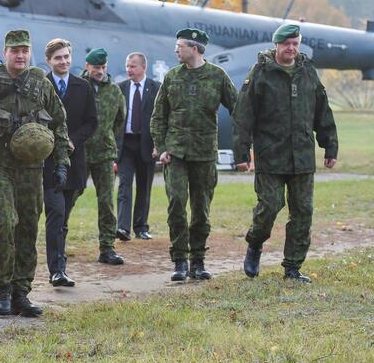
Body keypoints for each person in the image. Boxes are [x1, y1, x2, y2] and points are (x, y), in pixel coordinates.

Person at [0, 29, 70, 317]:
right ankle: (3, 289)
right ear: (5, 52)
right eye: (14, 50)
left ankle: (22, 292)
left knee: (28, 230)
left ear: (30, 53)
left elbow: (59, 122)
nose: (20, 55)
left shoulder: (40, 82)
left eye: (25, 50)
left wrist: (61, 162)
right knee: (3, 225)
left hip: (32, 170)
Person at [234, 24, 339, 283]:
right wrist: (241, 153)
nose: (291, 49)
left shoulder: (308, 72)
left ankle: (292, 267)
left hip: (302, 156)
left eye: (295, 43)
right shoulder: (261, 73)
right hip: (271, 155)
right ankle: (255, 244)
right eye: (286, 44)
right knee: (269, 206)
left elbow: (322, 111)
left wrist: (330, 145)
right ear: (277, 45)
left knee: (303, 211)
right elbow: (243, 115)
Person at [151, 28, 238, 282]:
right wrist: (162, 146)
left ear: (195, 49)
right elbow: (158, 116)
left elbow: (238, 108)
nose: (176, 50)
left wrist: (245, 143)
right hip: (175, 153)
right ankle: (179, 261)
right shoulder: (172, 77)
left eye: (180, 46)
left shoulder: (217, 76)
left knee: (201, 210)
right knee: (176, 204)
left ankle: (198, 261)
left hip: (204, 154)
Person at [41, 39, 97, 287]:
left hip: (75, 163)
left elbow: (91, 122)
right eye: (58, 58)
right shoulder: (40, 86)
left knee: (63, 219)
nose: (63, 62)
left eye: (66, 57)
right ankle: (57, 270)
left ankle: (58, 262)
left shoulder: (83, 87)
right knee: (56, 213)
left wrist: (72, 141)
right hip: (48, 162)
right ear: (49, 61)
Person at [80, 48, 126, 265]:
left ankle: (107, 248)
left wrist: (105, 136)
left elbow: (120, 120)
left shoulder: (115, 91)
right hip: (78, 152)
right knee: (68, 198)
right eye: (96, 67)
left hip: (105, 153)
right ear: (87, 66)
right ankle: (58, 245)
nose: (100, 71)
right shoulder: (77, 87)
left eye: (103, 67)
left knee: (106, 202)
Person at [116, 52, 160, 241]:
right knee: (124, 185)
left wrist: (159, 144)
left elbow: (161, 118)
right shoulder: (120, 88)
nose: (129, 69)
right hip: (126, 144)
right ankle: (123, 228)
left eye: (133, 66)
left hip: (147, 144)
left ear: (143, 67)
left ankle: (141, 227)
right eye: (127, 65)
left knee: (144, 187)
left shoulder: (156, 88)